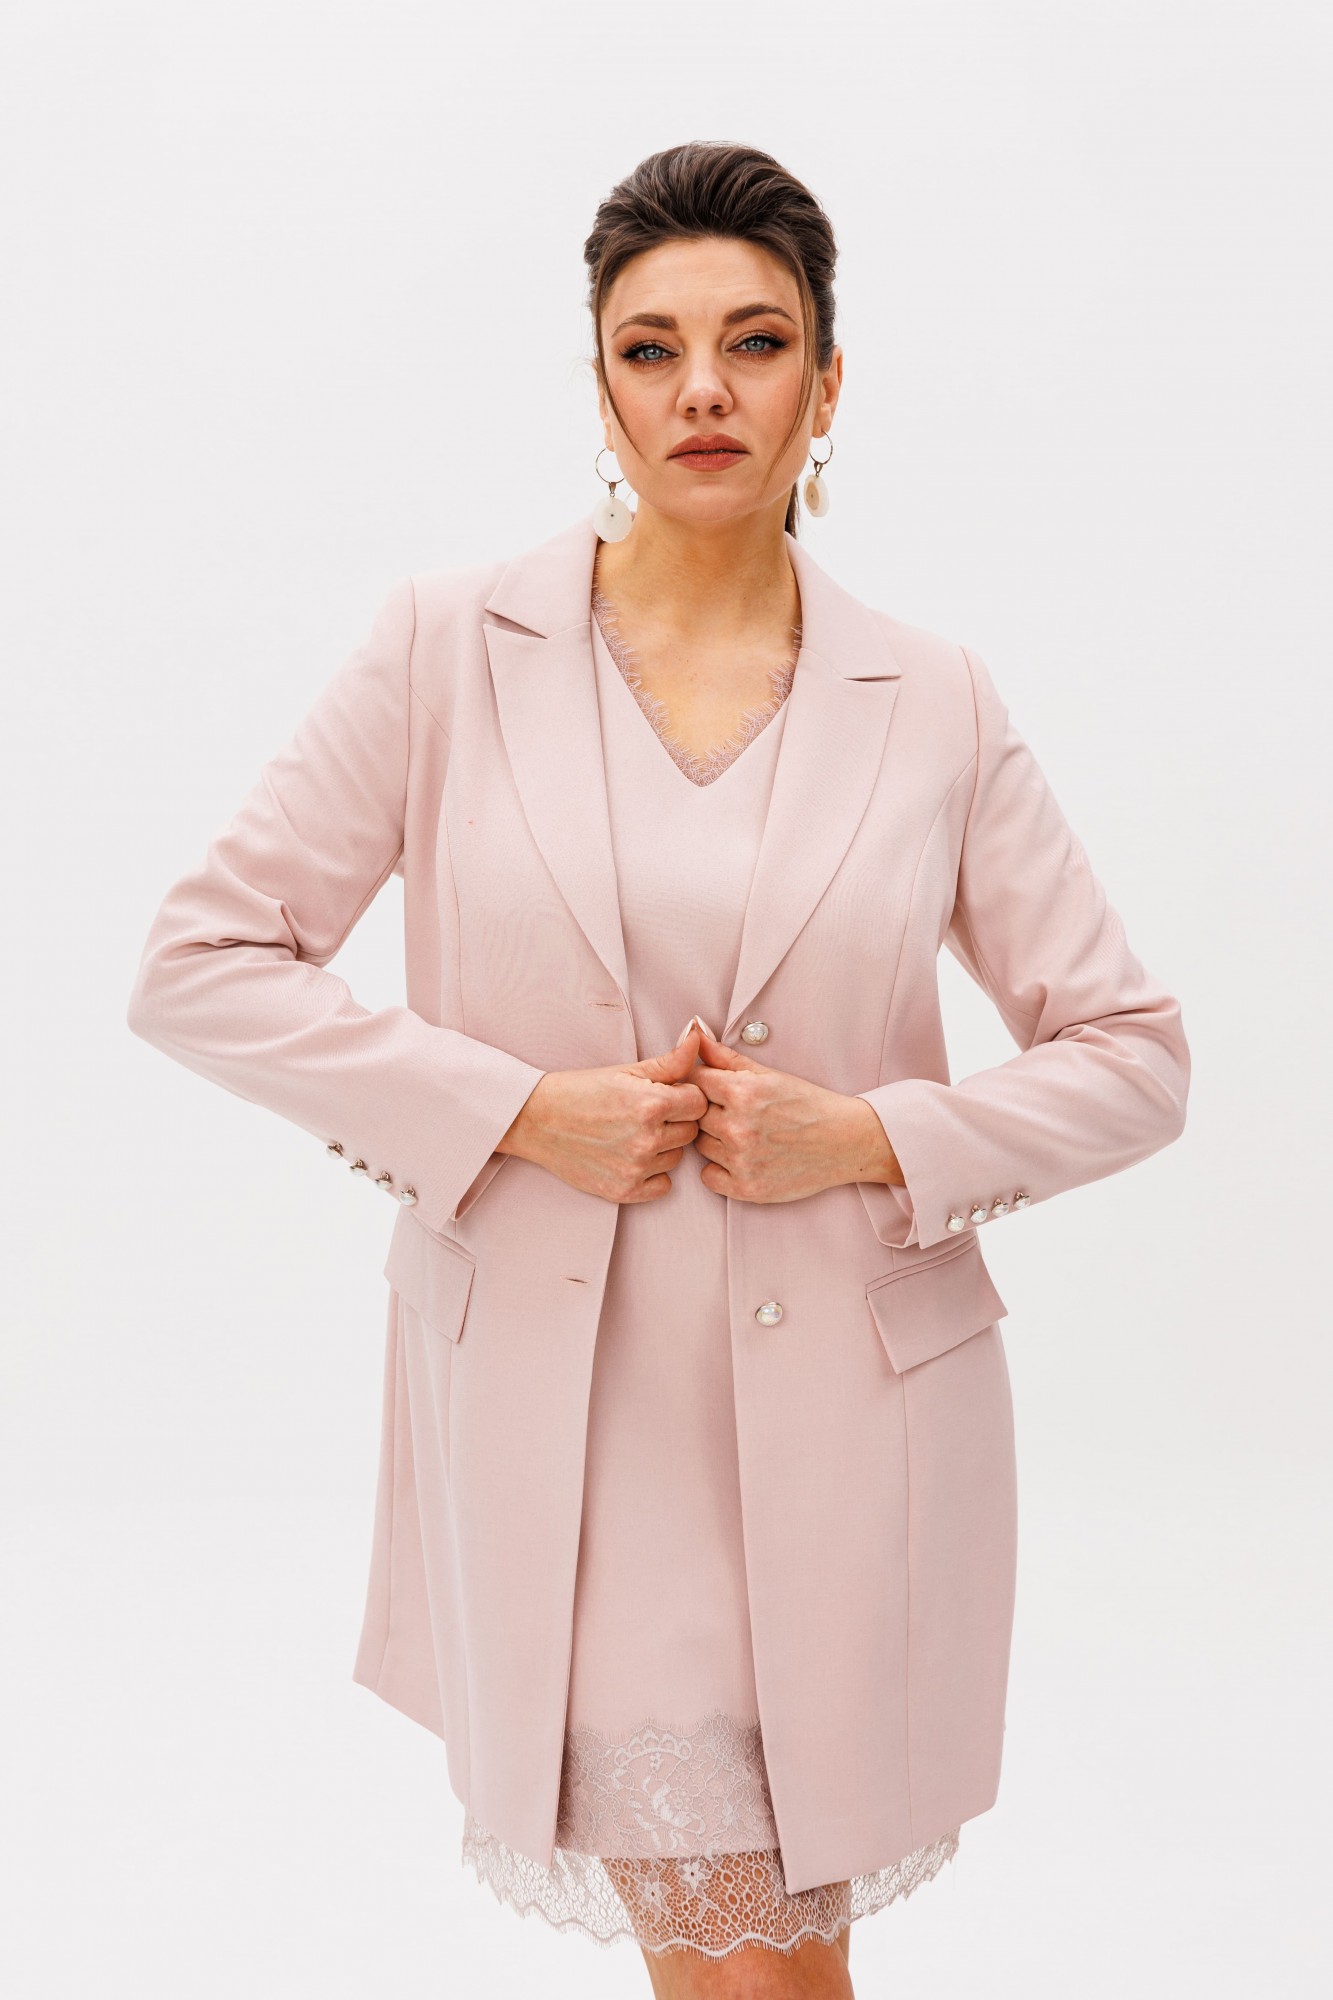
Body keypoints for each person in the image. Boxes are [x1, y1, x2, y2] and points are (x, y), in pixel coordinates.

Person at [126, 141, 1191, 1997]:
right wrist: (516, 1115)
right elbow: (202, 966)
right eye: (651, 347)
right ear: (600, 387)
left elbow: (1132, 1056)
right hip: (576, 1434)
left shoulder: (931, 699)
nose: (704, 387)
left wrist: (867, 1138)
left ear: (826, 386)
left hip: (857, 1437)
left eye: (755, 342)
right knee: (751, 1975)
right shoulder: (447, 651)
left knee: (760, 1977)